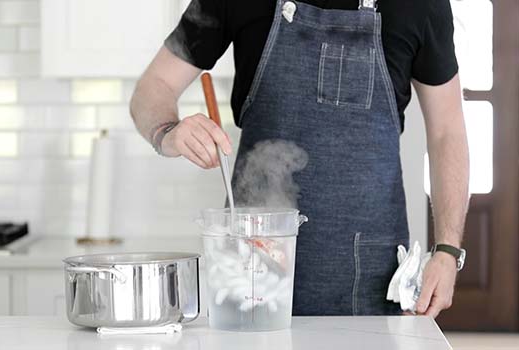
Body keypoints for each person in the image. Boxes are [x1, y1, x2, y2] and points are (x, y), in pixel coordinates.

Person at [130, 0, 469, 317]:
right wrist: (168, 132)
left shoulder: (420, 5)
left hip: (368, 277)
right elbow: (153, 86)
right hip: (251, 270)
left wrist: (448, 251)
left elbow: (447, 131)